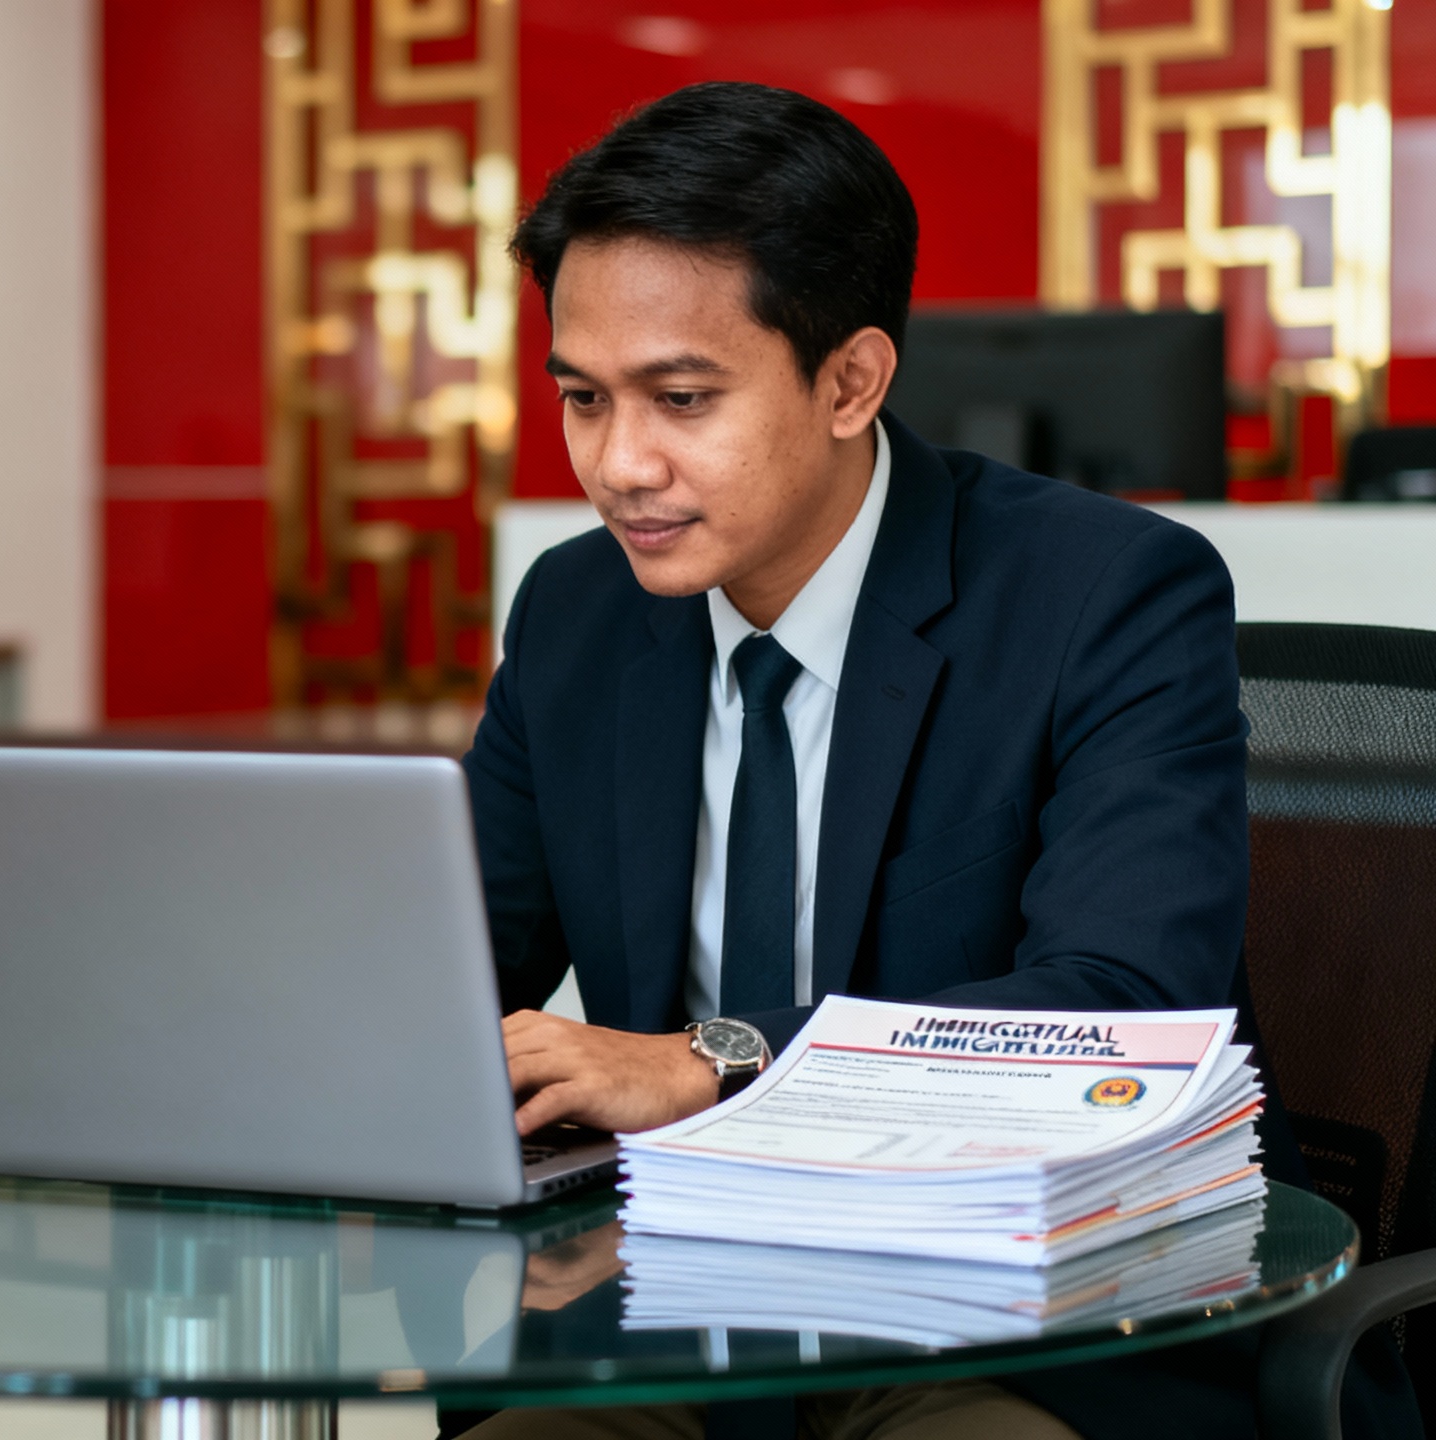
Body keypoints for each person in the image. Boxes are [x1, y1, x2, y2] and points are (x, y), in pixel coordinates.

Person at [457, 83, 1410, 1439]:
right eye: (582, 398)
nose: (619, 464)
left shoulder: (1108, 595)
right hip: (682, 1314)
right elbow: (449, 968)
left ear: (850, 381)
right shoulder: (578, 613)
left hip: (1024, 1324)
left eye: (680, 398)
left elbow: (1118, 1009)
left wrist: (714, 1059)